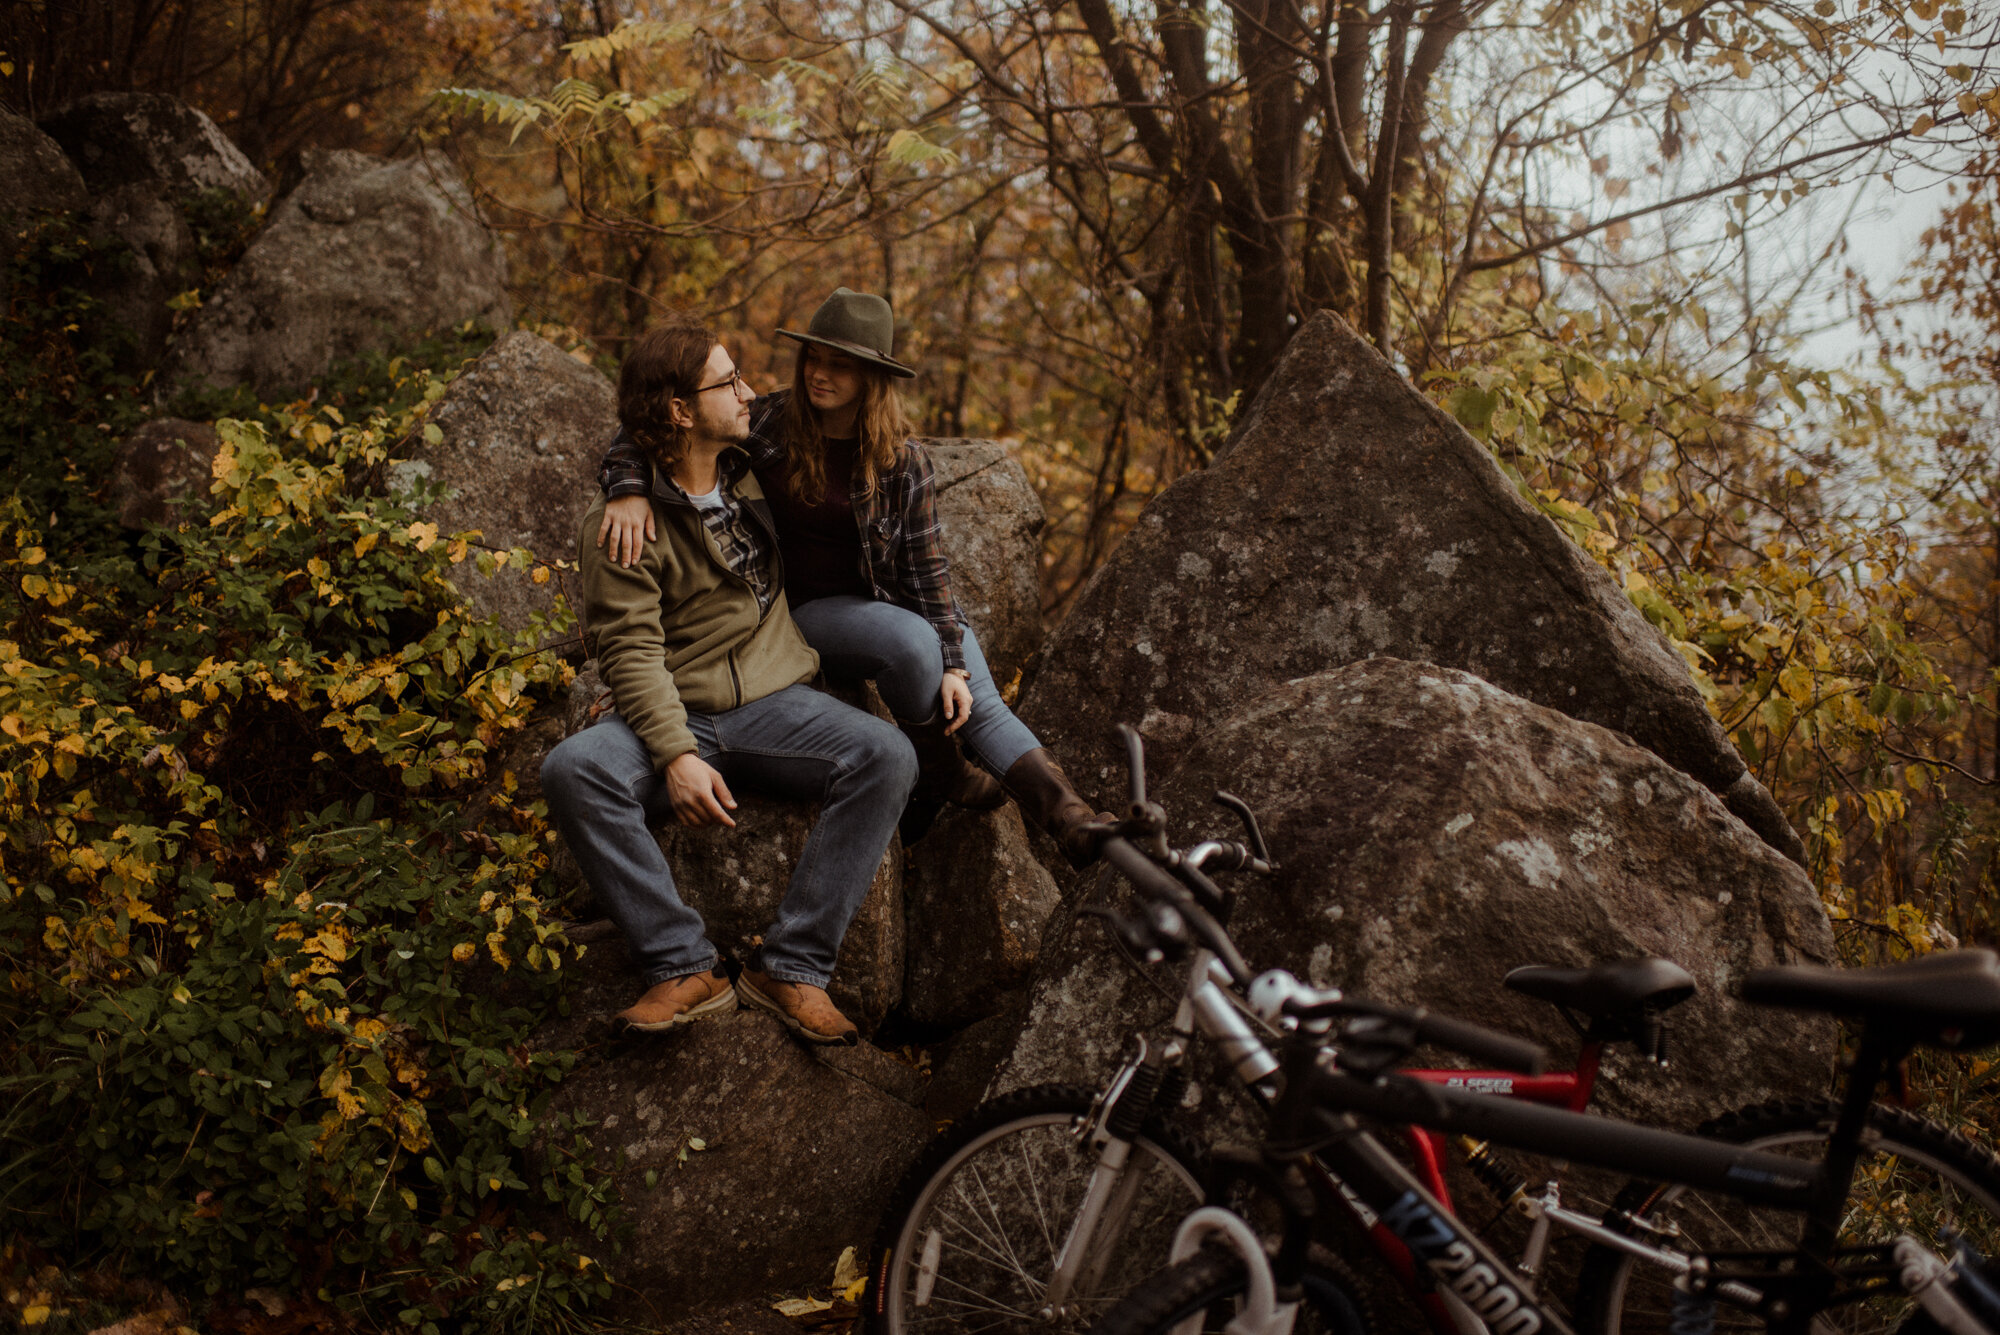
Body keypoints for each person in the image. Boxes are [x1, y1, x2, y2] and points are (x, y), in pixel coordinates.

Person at [592, 288, 1110, 869]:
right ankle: (938, 768)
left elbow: (926, 565)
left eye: (842, 364)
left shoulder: (901, 458)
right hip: (799, 612)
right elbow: (647, 426)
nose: (820, 372)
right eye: (815, 357)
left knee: (970, 686)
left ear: (872, 377)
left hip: (881, 604)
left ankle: (1072, 820)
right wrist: (628, 489)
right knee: (914, 644)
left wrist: (956, 660)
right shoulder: (767, 422)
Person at [540, 319, 918, 1044]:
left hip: (778, 703)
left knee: (888, 756)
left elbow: (847, 439)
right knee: (572, 769)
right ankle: (682, 963)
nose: (750, 393)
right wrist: (675, 754)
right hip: (676, 710)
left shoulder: (753, 466)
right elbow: (630, 648)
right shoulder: (621, 523)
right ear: (682, 411)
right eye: (729, 382)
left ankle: (793, 968)